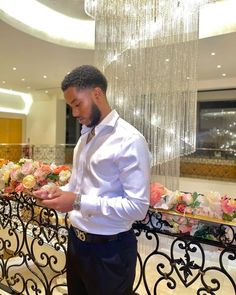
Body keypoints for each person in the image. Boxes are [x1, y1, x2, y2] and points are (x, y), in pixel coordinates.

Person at [35, 65, 150, 295]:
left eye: (78, 104)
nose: (74, 113)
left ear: (97, 93)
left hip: (111, 252)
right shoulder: (85, 139)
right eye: (71, 107)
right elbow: (78, 187)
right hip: (76, 244)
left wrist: (76, 201)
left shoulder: (130, 140)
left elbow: (138, 208)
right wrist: (57, 191)